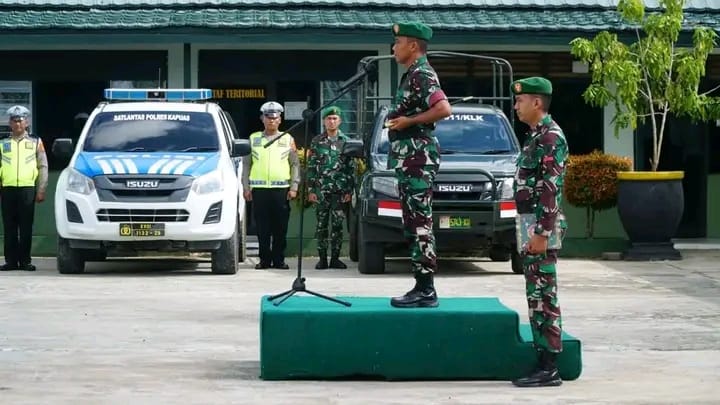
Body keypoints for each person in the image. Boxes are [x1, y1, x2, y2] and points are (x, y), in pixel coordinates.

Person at [385, 22, 452, 308]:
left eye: (398, 42)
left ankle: (426, 289)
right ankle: (421, 285)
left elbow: (443, 108)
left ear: (413, 46)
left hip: (418, 156)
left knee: (420, 222)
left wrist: (409, 121)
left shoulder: (422, 74)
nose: (394, 47)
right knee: (412, 222)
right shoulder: (412, 75)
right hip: (410, 157)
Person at [510, 77, 568, 387]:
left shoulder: (550, 138)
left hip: (541, 227)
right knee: (536, 295)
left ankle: (550, 366)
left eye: (520, 100)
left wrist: (542, 233)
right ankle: (542, 362)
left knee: (544, 295)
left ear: (537, 103)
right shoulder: (535, 136)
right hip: (530, 224)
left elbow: (550, 189)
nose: (516, 105)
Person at [242, 101, 301, 270]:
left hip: (281, 190)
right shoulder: (253, 139)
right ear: (262, 119)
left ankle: (279, 260)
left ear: (280, 120)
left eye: (275, 118)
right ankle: (264, 260)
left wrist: (294, 187)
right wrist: (246, 186)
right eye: (268, 118)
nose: (271, 121)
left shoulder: (288, 139)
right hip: (259, 191)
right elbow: (247, 164)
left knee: (280, 228)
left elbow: (295, 164)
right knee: (262, 228)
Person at [0, 105, 49, 271]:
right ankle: (11, 261)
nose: (17, 124)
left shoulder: (35, 142)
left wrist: (41, 188)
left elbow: (43, 166)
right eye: (14, 121)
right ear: (10, 123)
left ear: (26, 123)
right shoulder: (3, 143)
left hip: (27, 189)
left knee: (26, 227)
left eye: (20, 120)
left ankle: (25, 261)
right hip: (7, 189)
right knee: (9, 227)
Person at [306, 106, 355, 270]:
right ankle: (322, 259)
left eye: (334, 118)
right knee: (321, 225)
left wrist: (349, 190)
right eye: (328, 118)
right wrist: (311, 189)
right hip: (321, 190)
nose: (331, 121)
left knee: (338, 226)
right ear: (324, 121)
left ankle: (335, 258)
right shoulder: (317, 141)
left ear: (340, 121)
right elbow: (311, 166)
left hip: (340, 191)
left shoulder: (346, 141)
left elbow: (351, 168)